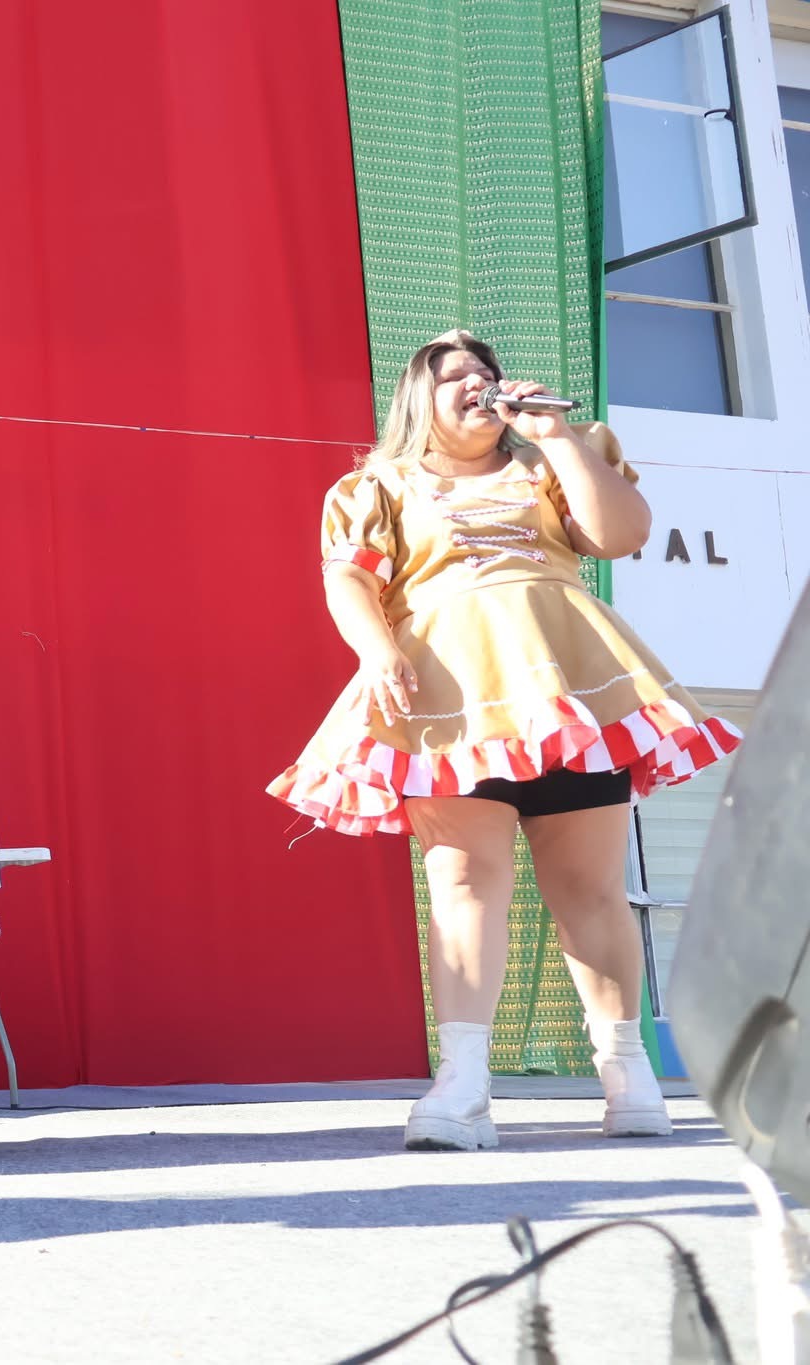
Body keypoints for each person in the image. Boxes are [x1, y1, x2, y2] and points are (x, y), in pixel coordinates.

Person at [269, 330, 742, 1152]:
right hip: (447, 692)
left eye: (487, 374)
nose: (480, 385)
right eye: (457, 376)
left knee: (589, 886)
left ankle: (627, 1073)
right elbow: (347, 575)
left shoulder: (556, 457)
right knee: (460, 877)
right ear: (421, 397)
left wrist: (557, 436)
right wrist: (377, 648)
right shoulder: (378, 483)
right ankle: (463, 1084)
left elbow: (619, 533)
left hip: (567, 679)